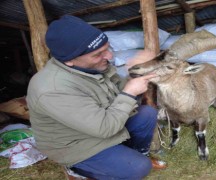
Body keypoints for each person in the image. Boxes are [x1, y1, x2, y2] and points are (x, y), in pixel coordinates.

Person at [26, 15, 166, 180]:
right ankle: (76, 170)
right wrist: (129, 92)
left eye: (108, 48)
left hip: (101, 125)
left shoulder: (93, 66)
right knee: (139, 169)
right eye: (98, 54)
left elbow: (117, 91)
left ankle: (135, 154)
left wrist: (133, 74)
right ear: (70, 61)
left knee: (147, 114)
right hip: (77, 145)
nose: (109, 56)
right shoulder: (52, 88)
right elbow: (105, 127)